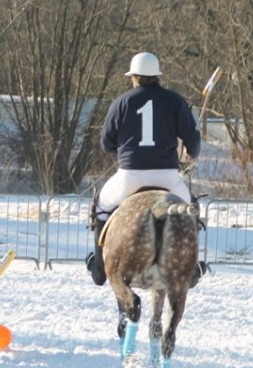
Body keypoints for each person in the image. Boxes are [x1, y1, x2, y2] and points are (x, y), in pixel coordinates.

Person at [86, 52, 201, 286]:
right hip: (167, 177)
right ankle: (193, 267)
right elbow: (193, 139)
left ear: (135, 77)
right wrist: (191, 151)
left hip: (130, 177)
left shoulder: (122, 101)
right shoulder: (175, 100)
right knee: (192, 210)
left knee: (100, 206)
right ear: (157, 76)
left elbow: (106, 143)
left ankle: (99, 267)